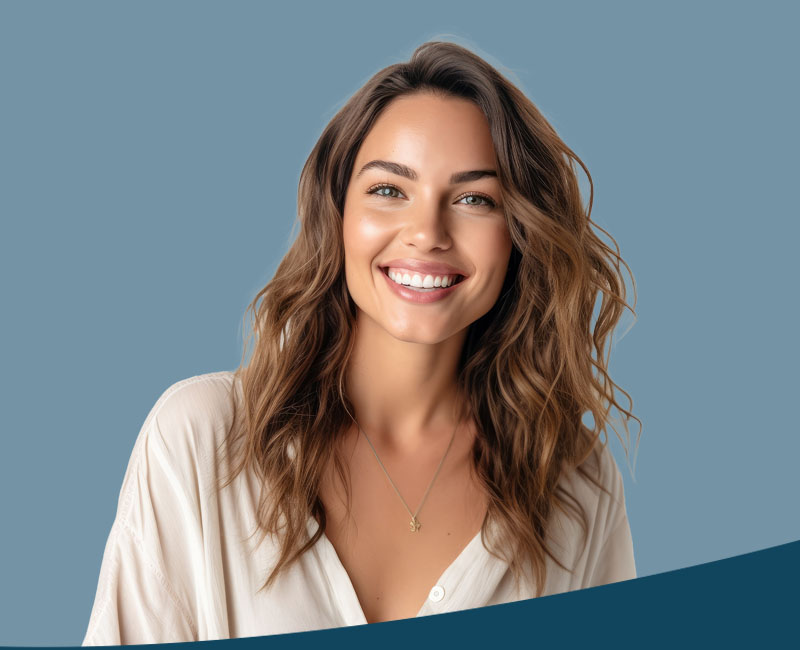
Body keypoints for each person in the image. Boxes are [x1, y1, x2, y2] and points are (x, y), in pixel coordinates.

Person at [82, 40, 640, 645]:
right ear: (338, 213)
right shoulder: (201, 441)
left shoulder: (576, 483)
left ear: (519, 234)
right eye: (389, 190)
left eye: (475, 199)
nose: (427, 233)